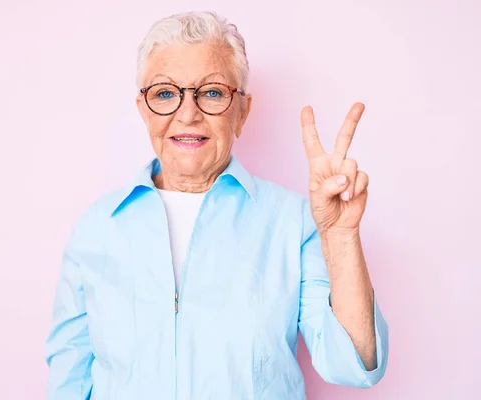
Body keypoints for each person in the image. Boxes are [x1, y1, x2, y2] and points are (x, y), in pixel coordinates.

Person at [45, 10, 388, 400]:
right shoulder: (97, 227)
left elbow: (354, 366)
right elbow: (67, 382)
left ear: (242, 110)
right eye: (164, 93)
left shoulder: (294, 223)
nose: (187, 113)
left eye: (211, 92)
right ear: (143, 110)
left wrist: (341, 236)